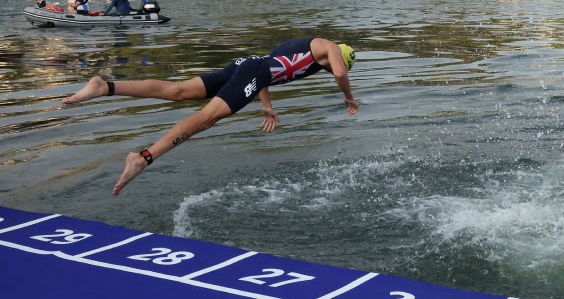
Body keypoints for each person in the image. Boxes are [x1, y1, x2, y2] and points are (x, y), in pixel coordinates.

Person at [61, 38, 358, 195]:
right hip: (252, 71)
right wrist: (348, 96)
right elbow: (341, 72)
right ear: (340, 55)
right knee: (207, 118)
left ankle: (106, 87)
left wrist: (266, 106)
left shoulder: (302, 47)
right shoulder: (328, 47)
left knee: (177, 91)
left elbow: (265, 68)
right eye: (331, 67)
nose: (331, 71)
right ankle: (144, 157)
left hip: (246, 65)